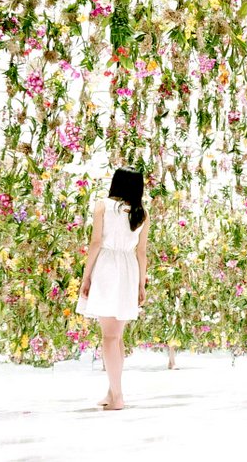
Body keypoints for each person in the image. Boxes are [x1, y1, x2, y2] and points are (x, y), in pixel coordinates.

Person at [77, 167, 150, 411]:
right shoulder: (141, 213)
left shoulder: (102, 206)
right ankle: (112, 391)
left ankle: (118, 396)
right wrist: (141, 283)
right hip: (128, 269)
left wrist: (86, 277)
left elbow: (96, 243)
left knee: (109, 336)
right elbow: (141, 252)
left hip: (108, 268)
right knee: (115, 335)